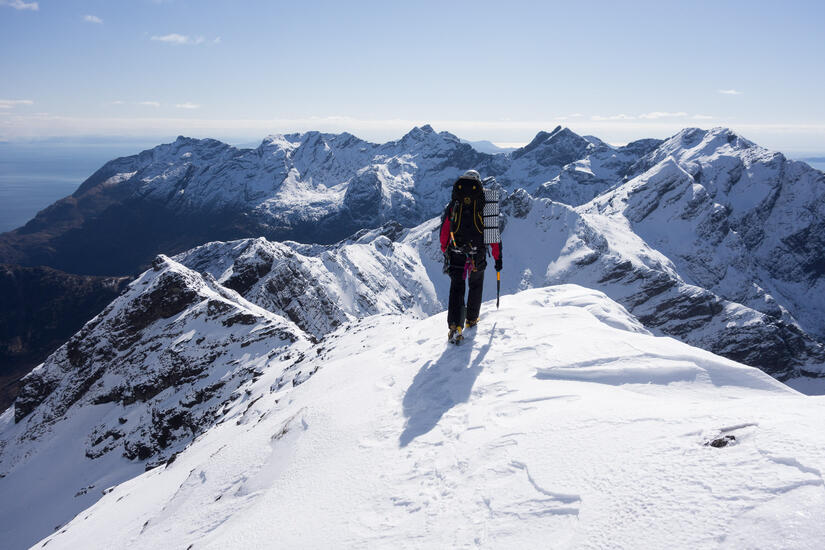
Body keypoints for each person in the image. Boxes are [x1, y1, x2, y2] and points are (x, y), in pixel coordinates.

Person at [439, 169, 502, 342]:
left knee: (457, 287)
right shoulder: (484, 204)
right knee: (475, 285)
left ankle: (454, 324)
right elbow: (492, 232)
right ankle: (471, 319)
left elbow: (445, 229)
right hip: (477, 252)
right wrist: (497, 257)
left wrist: (446, 250)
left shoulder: (454, 203)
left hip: (456, 250)